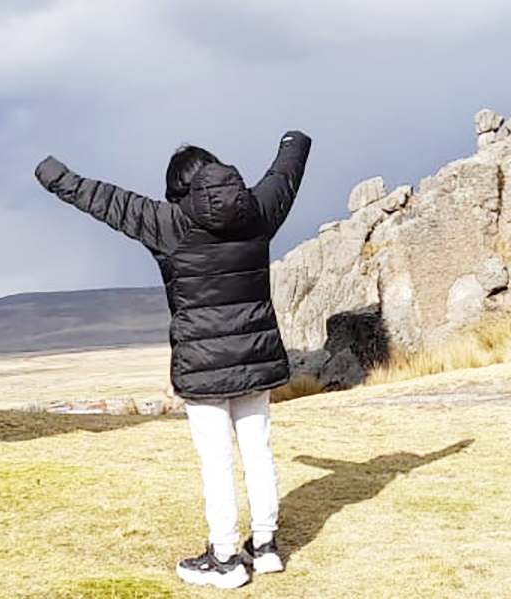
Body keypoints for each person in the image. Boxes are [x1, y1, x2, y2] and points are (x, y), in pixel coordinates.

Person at [33, 130, 313, 589]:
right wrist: (292, 139)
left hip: (202, 366)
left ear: (177, 188)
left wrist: (51, 174)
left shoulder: (169, 223)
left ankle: (224, 558)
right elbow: (287, 171)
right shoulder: (258, 211)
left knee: (216, 460)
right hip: (257, 359)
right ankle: (264, 547)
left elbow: (103, 200)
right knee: (257, 449)